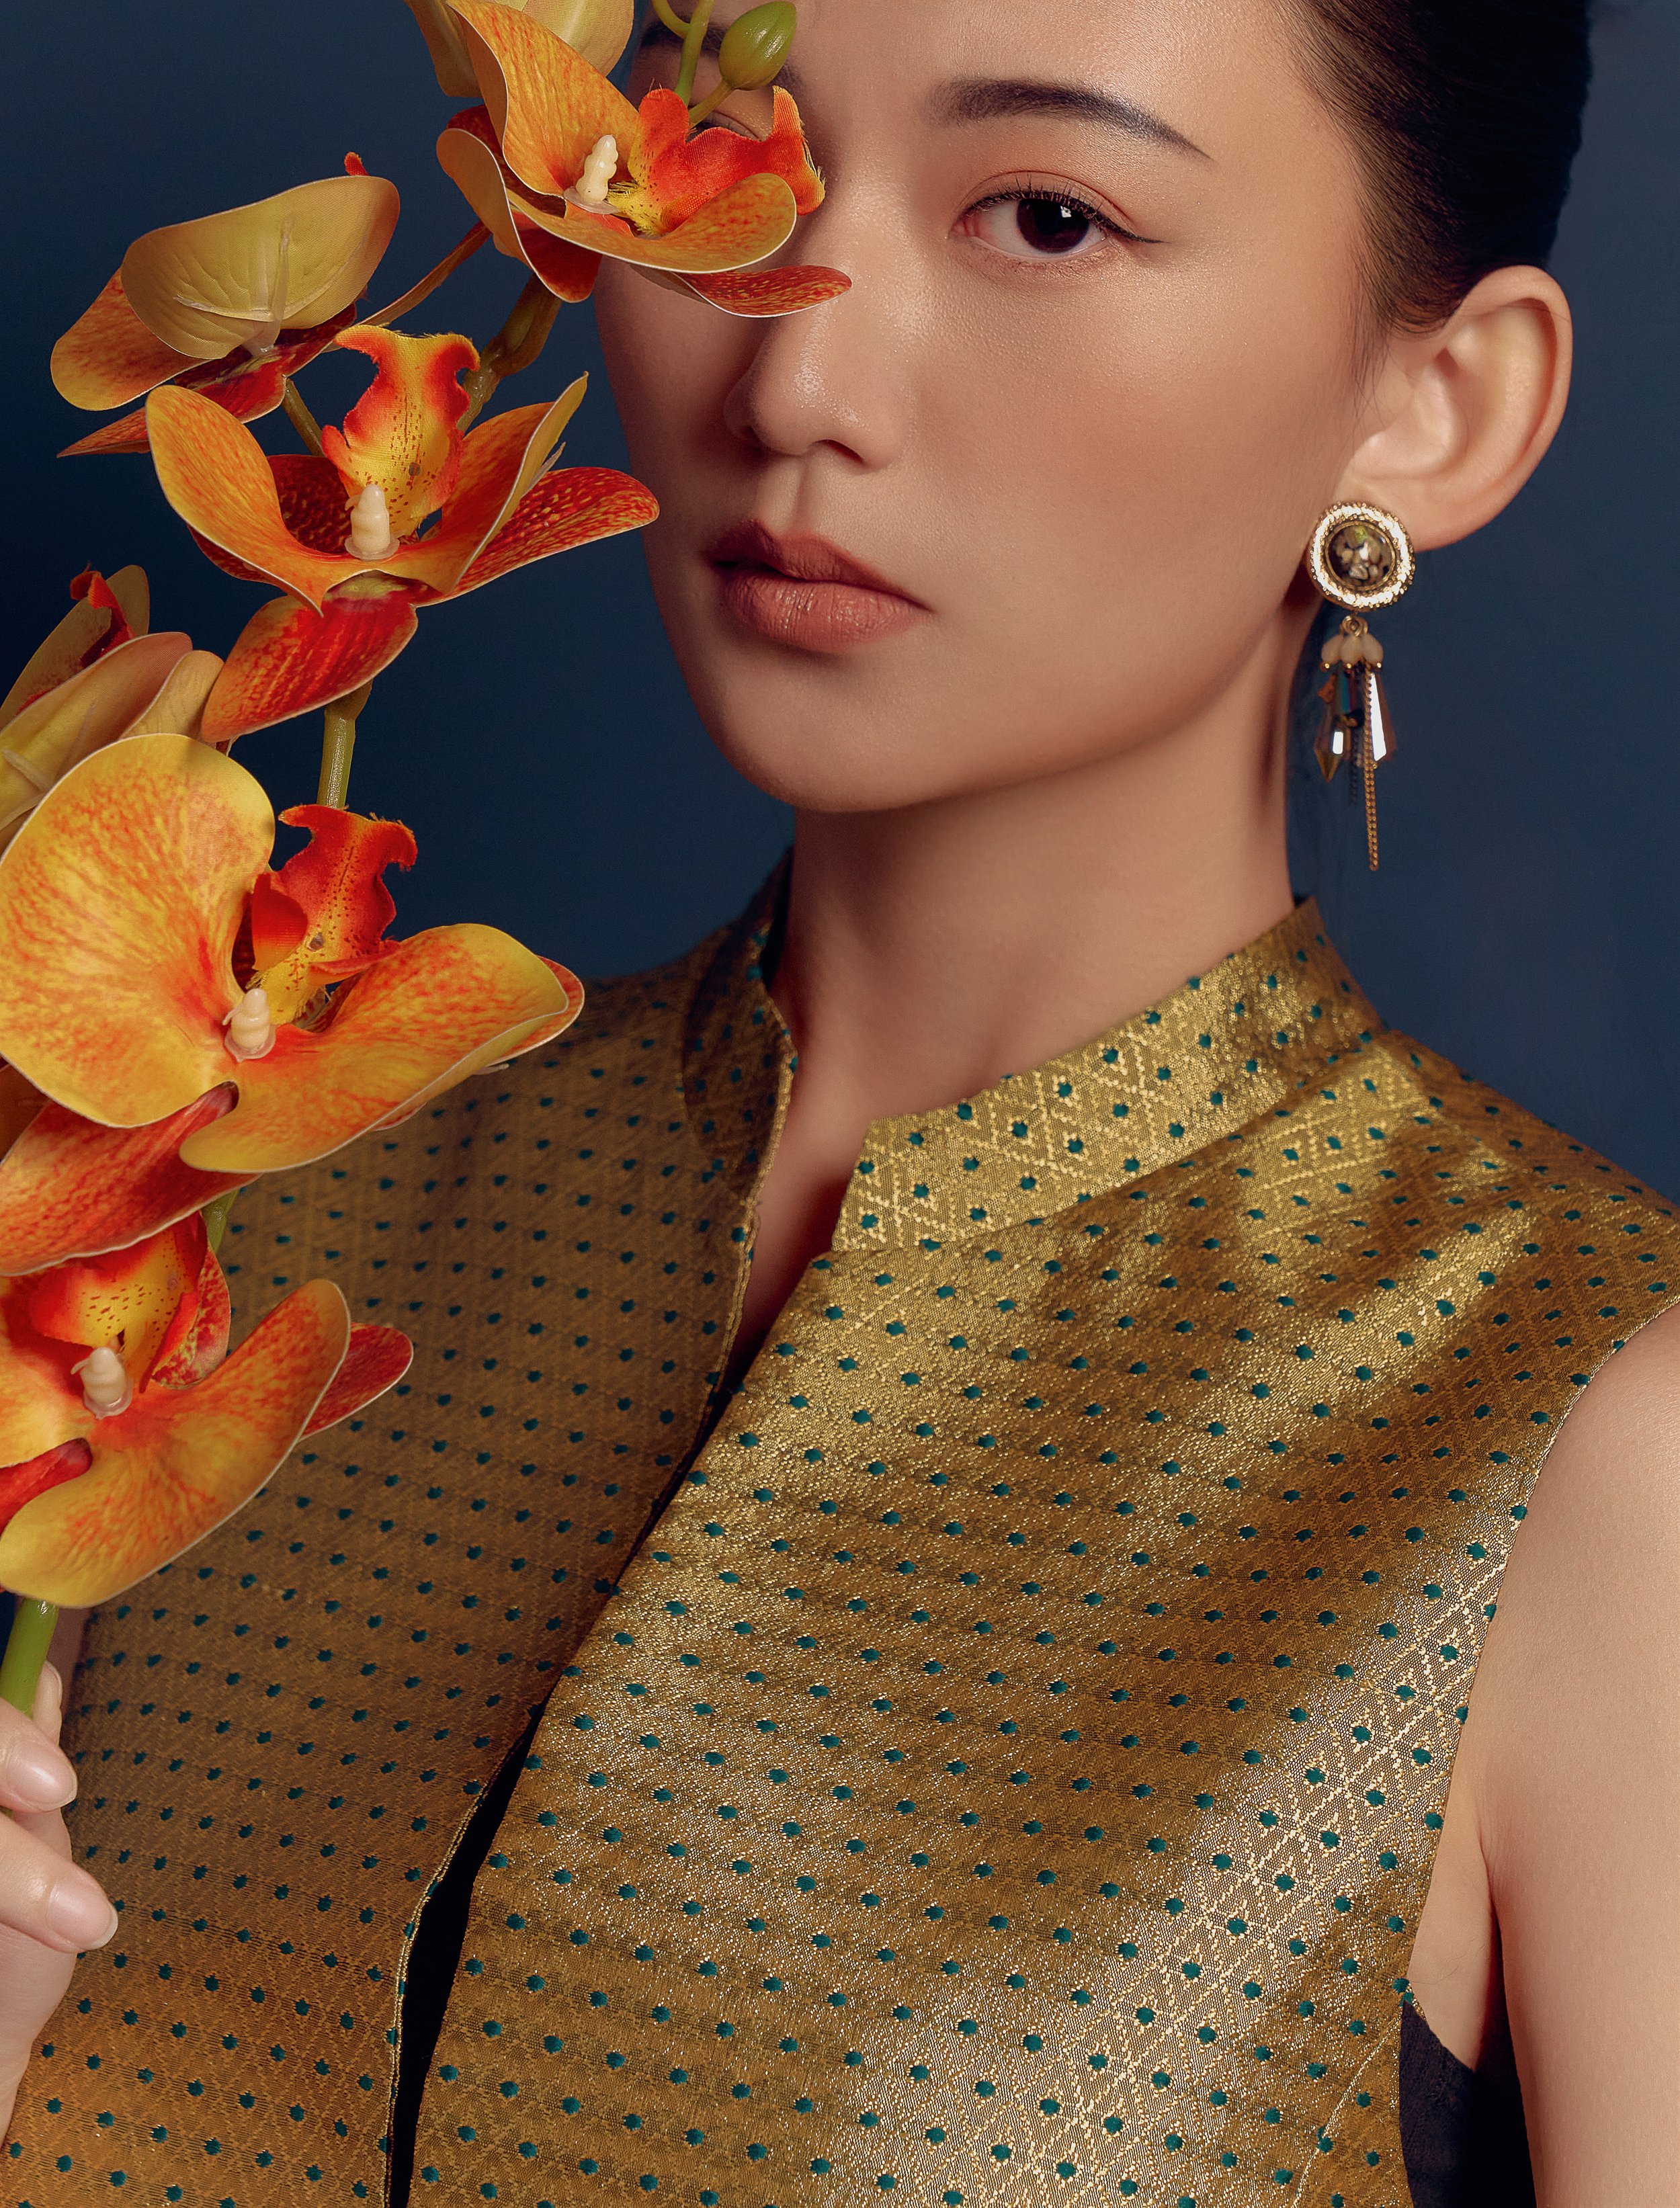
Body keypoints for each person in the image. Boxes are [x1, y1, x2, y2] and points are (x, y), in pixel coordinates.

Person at [3, 1, 1677, 2203]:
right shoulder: (194, 1229)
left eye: (1044, 216)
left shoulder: (1576, 1441)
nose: (793, 377)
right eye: (752, 198)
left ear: (1434, 410)